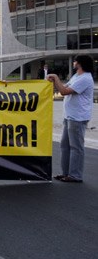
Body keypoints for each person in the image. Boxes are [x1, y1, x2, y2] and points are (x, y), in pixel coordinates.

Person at [47, 55, 94, 183]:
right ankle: (66, 173)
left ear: (79, 63)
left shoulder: (85, 78)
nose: (73, 63)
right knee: (65, 146)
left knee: (76, 147)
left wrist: (56, 77)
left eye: (75, 61)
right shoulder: (76, 76)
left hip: (78, 118)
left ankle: (75, 175)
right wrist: (54, 81)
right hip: (69, 116)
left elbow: (64, 91)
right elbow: (62, 86)